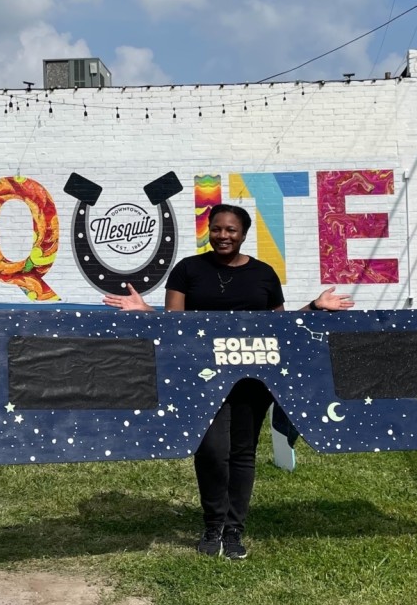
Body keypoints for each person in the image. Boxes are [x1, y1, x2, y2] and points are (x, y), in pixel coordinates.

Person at [103, 203, 353, 560]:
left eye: (231, 230)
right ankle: (212, 524)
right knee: (211, 451)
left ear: (243, 234)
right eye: (217, 228)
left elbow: (277, 329)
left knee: (241, 453)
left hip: (252, 381)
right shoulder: (188, 270)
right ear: (210, 231)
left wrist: (313, 306)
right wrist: (146, 313)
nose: (223, 235)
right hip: (202, 379)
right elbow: (177, 325)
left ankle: (234, 531)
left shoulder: (264, 274)